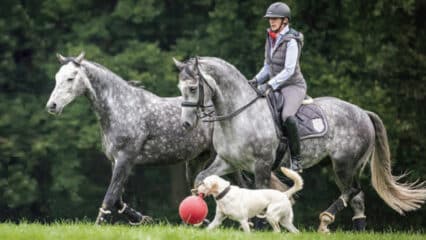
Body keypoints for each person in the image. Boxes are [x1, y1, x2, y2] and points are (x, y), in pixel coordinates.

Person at [249, 2, 306, 172]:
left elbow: (289, 70)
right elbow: (267, 66)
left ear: (285, 21)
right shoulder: (270, 37)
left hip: (293, 86)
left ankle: (296, 159)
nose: (271, 22)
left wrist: (269, 84)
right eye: (270, 19)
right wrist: (255, 81)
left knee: (287, 115)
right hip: (275, 85)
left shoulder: (292, 41)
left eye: (275, 19)